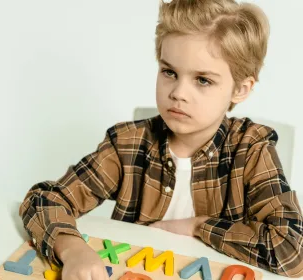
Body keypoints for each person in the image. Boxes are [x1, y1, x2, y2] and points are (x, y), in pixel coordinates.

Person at [19, 0, 303, 278]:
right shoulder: (128, 144)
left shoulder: (251, 150)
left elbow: (292, 250)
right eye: (169, 72)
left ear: (240, 89)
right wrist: (72, 249)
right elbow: (44, 200)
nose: (178, 92)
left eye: (202, 80)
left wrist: (198, 226)